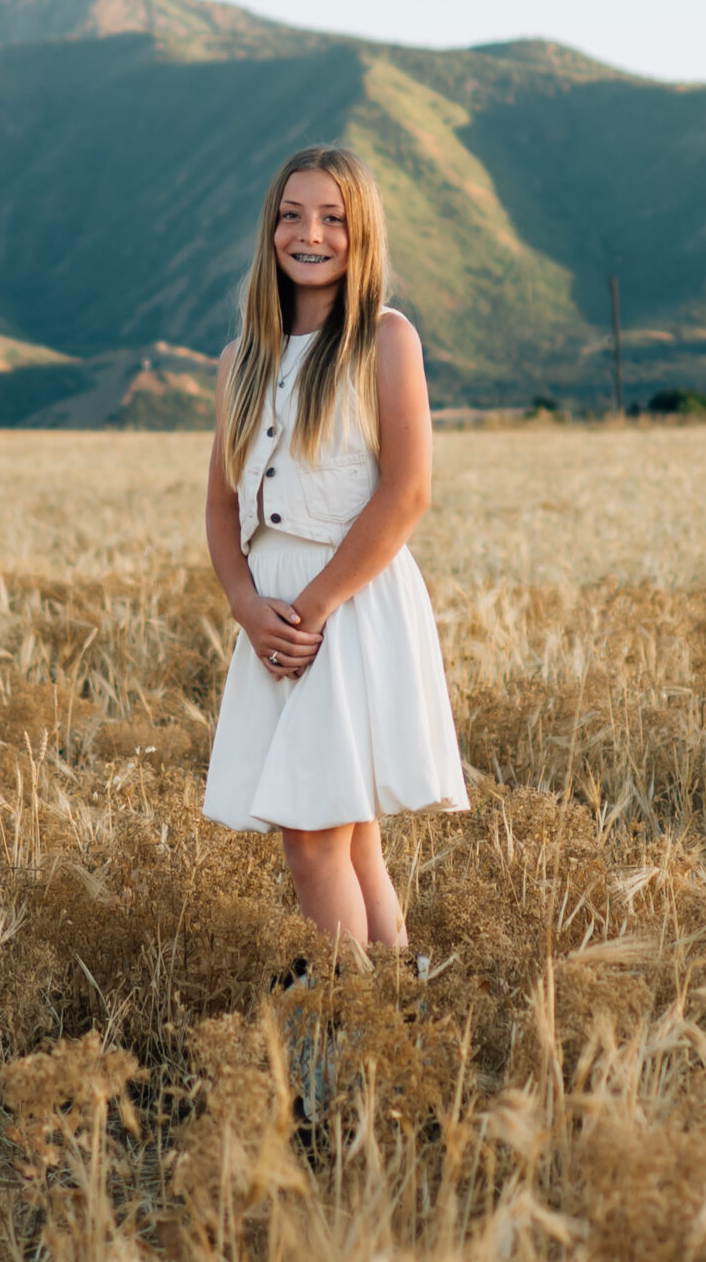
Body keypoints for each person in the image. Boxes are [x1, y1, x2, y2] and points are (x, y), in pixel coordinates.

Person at [201, 145, 469, 955]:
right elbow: (221, 505)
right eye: (290, 214)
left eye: (332, 217)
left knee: (313, 837)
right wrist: (249, 609)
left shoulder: (384, 339)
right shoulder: (239, 359)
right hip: (271, 614)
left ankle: (348, 1030)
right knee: (349, 839)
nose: (307, 232)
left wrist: (310, 611)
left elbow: (408, 491)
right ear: (270, 230)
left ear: (362, 233)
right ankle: (398, 1025)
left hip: (347, 604)